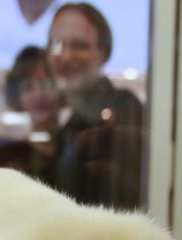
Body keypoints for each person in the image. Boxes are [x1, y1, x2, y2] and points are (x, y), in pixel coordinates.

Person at [47, 2, 144, 209]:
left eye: (79, 45)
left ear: (103, 52)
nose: (65, 56)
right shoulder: (59, 122)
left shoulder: (125, 109)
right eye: (56, 44)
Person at [0, 46, 61, 188]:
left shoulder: (78, 146)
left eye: (47, 83)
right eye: (28, 87)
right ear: (17, 96)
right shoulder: (5, 157)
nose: (39, 94)